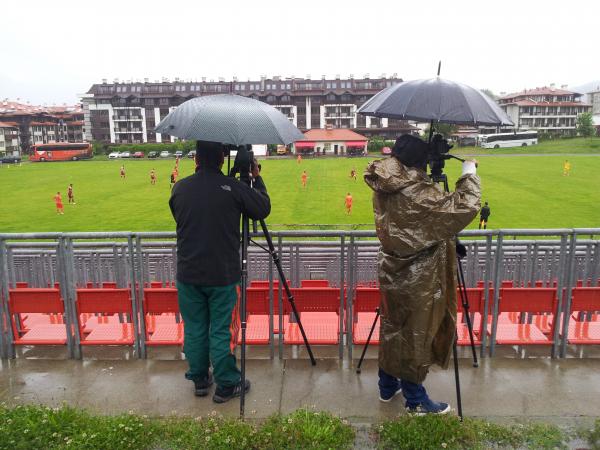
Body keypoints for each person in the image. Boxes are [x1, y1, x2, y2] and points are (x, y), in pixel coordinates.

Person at [364, 134, 480, 414]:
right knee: (416, 332)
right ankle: (415, 400)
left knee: (394, 328)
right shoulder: (416, 190)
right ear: (419, 162)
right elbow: (464, 207)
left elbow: (421, 226)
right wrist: (469, 174)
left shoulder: (386, 181)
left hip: (393, 268)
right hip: (420, 274)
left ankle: (387, 386)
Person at [169, 140, 270, 403]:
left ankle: (200, 379)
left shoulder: (180, 188)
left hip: (188, 273)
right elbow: (262, 208)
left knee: (194, 327)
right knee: (222, 329)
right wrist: (255, 179)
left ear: (197, 159)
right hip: (222, 275)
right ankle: (226, 383)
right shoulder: (233, 188)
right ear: (222, 157)